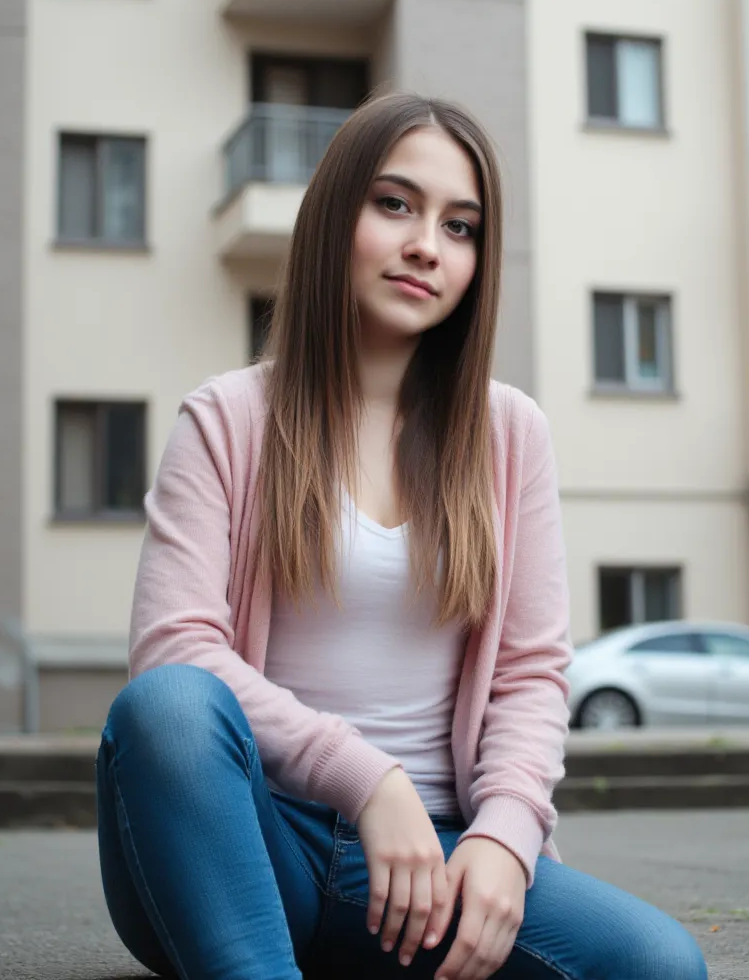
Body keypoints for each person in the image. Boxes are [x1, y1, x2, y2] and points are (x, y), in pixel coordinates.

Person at [95, 91, 708, 980]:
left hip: (439, 863)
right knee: (167, 709)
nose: (428, 243)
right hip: (251, 847)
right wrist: (366, 778)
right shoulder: (227, 419)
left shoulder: (509, 434)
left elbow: (531, 674)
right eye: (396, 205)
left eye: (461, 227)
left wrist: (503, 837)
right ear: (334, 215)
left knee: (659, 964)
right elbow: (174, 650)